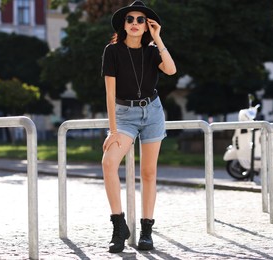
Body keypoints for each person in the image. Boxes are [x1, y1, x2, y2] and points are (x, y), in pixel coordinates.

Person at [101, 0, 176, 253]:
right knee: (109, 162)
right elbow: (110, 95)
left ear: (147, 26)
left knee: (148, 173)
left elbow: (171, 70)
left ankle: (146, 230)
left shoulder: (153, 51)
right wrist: (112, 130)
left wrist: (159, 39)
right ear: (123, 24)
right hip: (124, 116)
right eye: (130, 19)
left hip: (152, 112)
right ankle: (118, 225)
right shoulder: (112, 51)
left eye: (140, 20)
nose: (134, 23)